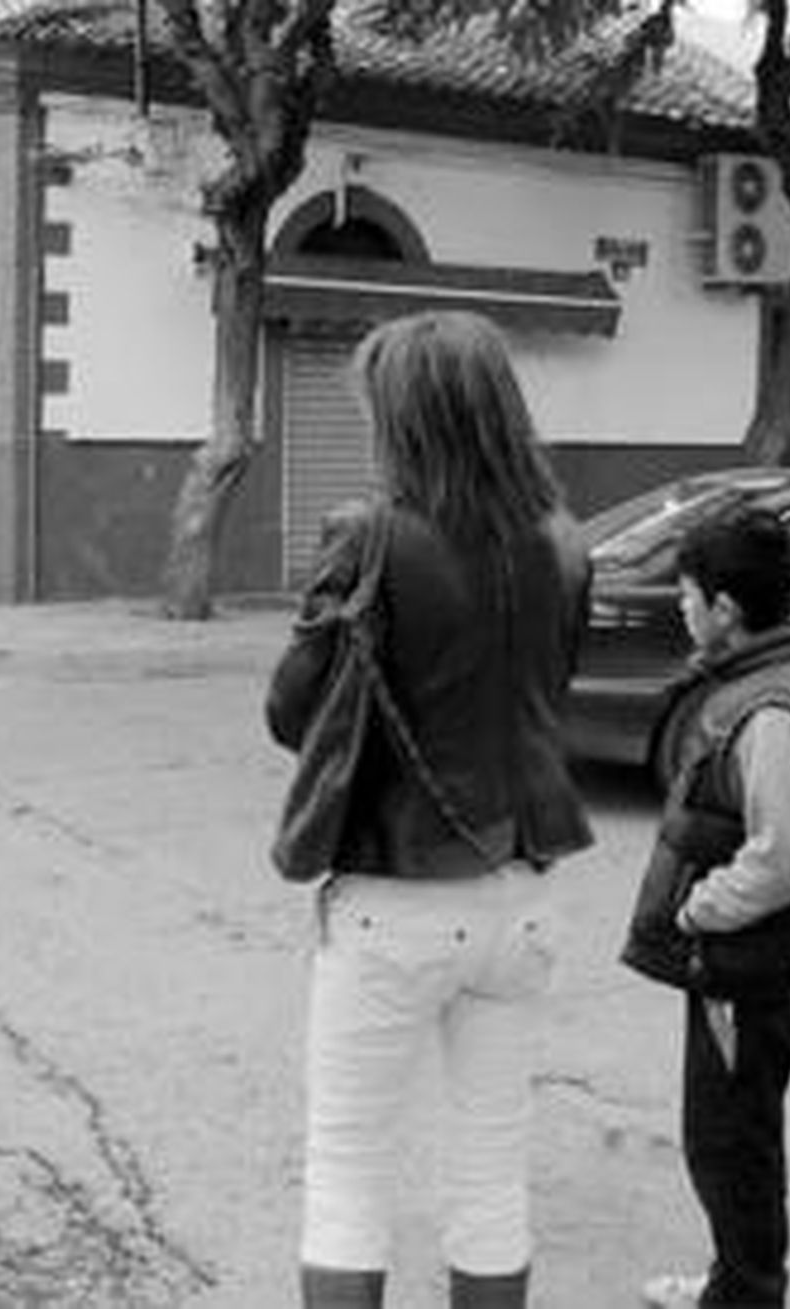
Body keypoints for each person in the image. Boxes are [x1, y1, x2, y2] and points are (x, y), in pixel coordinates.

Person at [266, 311, 594, 1309]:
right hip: (524, 894)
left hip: (396, 895)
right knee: (490, 1170)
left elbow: (292, 714)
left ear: (404, 419)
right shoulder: (563, 542)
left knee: (347, 1172)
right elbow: (545, 692)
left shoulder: (369, 540)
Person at [620, 507, 790, 1309]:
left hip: (742, 967)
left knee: (730, 1144)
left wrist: (699, 911)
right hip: (741, 965)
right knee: (734, 1134)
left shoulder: (770, 712)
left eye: (686, 595)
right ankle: (735, 1280)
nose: (681, 608)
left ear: (726, 608)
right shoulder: (763, 681)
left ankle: (747, 1294)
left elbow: (783, 856)